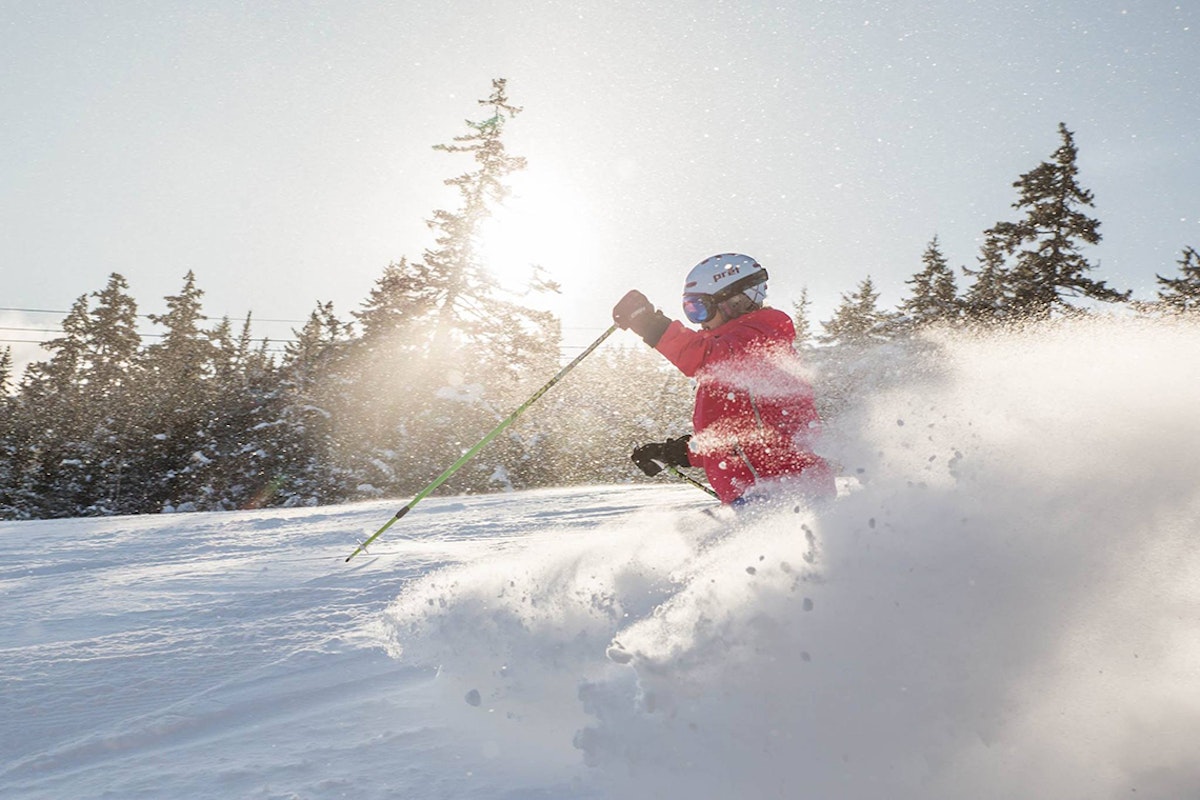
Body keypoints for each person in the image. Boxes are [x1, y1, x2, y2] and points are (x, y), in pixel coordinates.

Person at [612, 253, 835, 506]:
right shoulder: (733, 354)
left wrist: (648, 323)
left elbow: (710, 358)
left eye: (699, 309)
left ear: (734, 302)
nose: (699, 321)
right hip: (760, 495)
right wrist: (676, 453)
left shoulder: (761, 340)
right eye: (690, 311)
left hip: (789, 492)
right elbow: (733, 439)